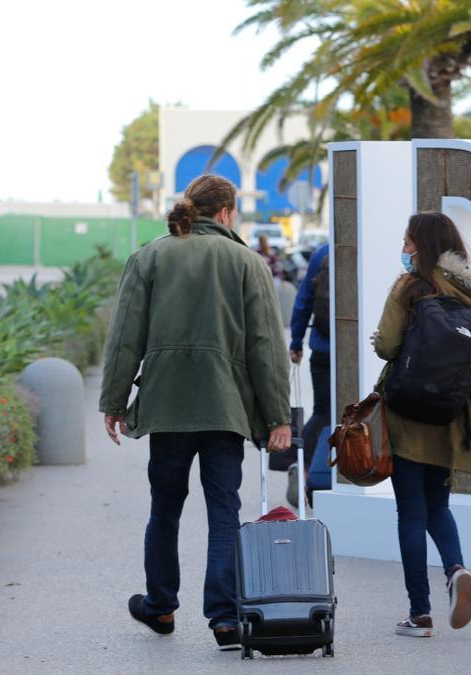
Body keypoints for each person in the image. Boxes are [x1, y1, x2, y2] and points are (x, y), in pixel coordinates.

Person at [99, 175, 292, 651]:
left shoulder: (150, 256)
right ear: (226, 213)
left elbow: (126, 336)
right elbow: (266, 347)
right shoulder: (249, 263)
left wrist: (114, 401)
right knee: (224, 512)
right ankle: (225, 620)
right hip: (226, 406)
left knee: (165, 508)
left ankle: (161, 607)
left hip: (167, 404)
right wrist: (278, 417)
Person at [372, 212, 471, 638]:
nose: (405, 248)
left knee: (410, 514)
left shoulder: (410, 288)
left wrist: (379, 341)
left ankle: (419, 613)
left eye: (408, 241)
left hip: (408, 415)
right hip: (450, 416)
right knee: (438, 507)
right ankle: (455, 569)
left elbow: (390, 345)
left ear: (422, 246)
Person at [288, 242, 331, 504]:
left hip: (323, 348)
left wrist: (296, 342)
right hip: (362, 353)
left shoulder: (322, 253)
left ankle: (304, 470)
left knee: (323, 412)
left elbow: (303, 300)